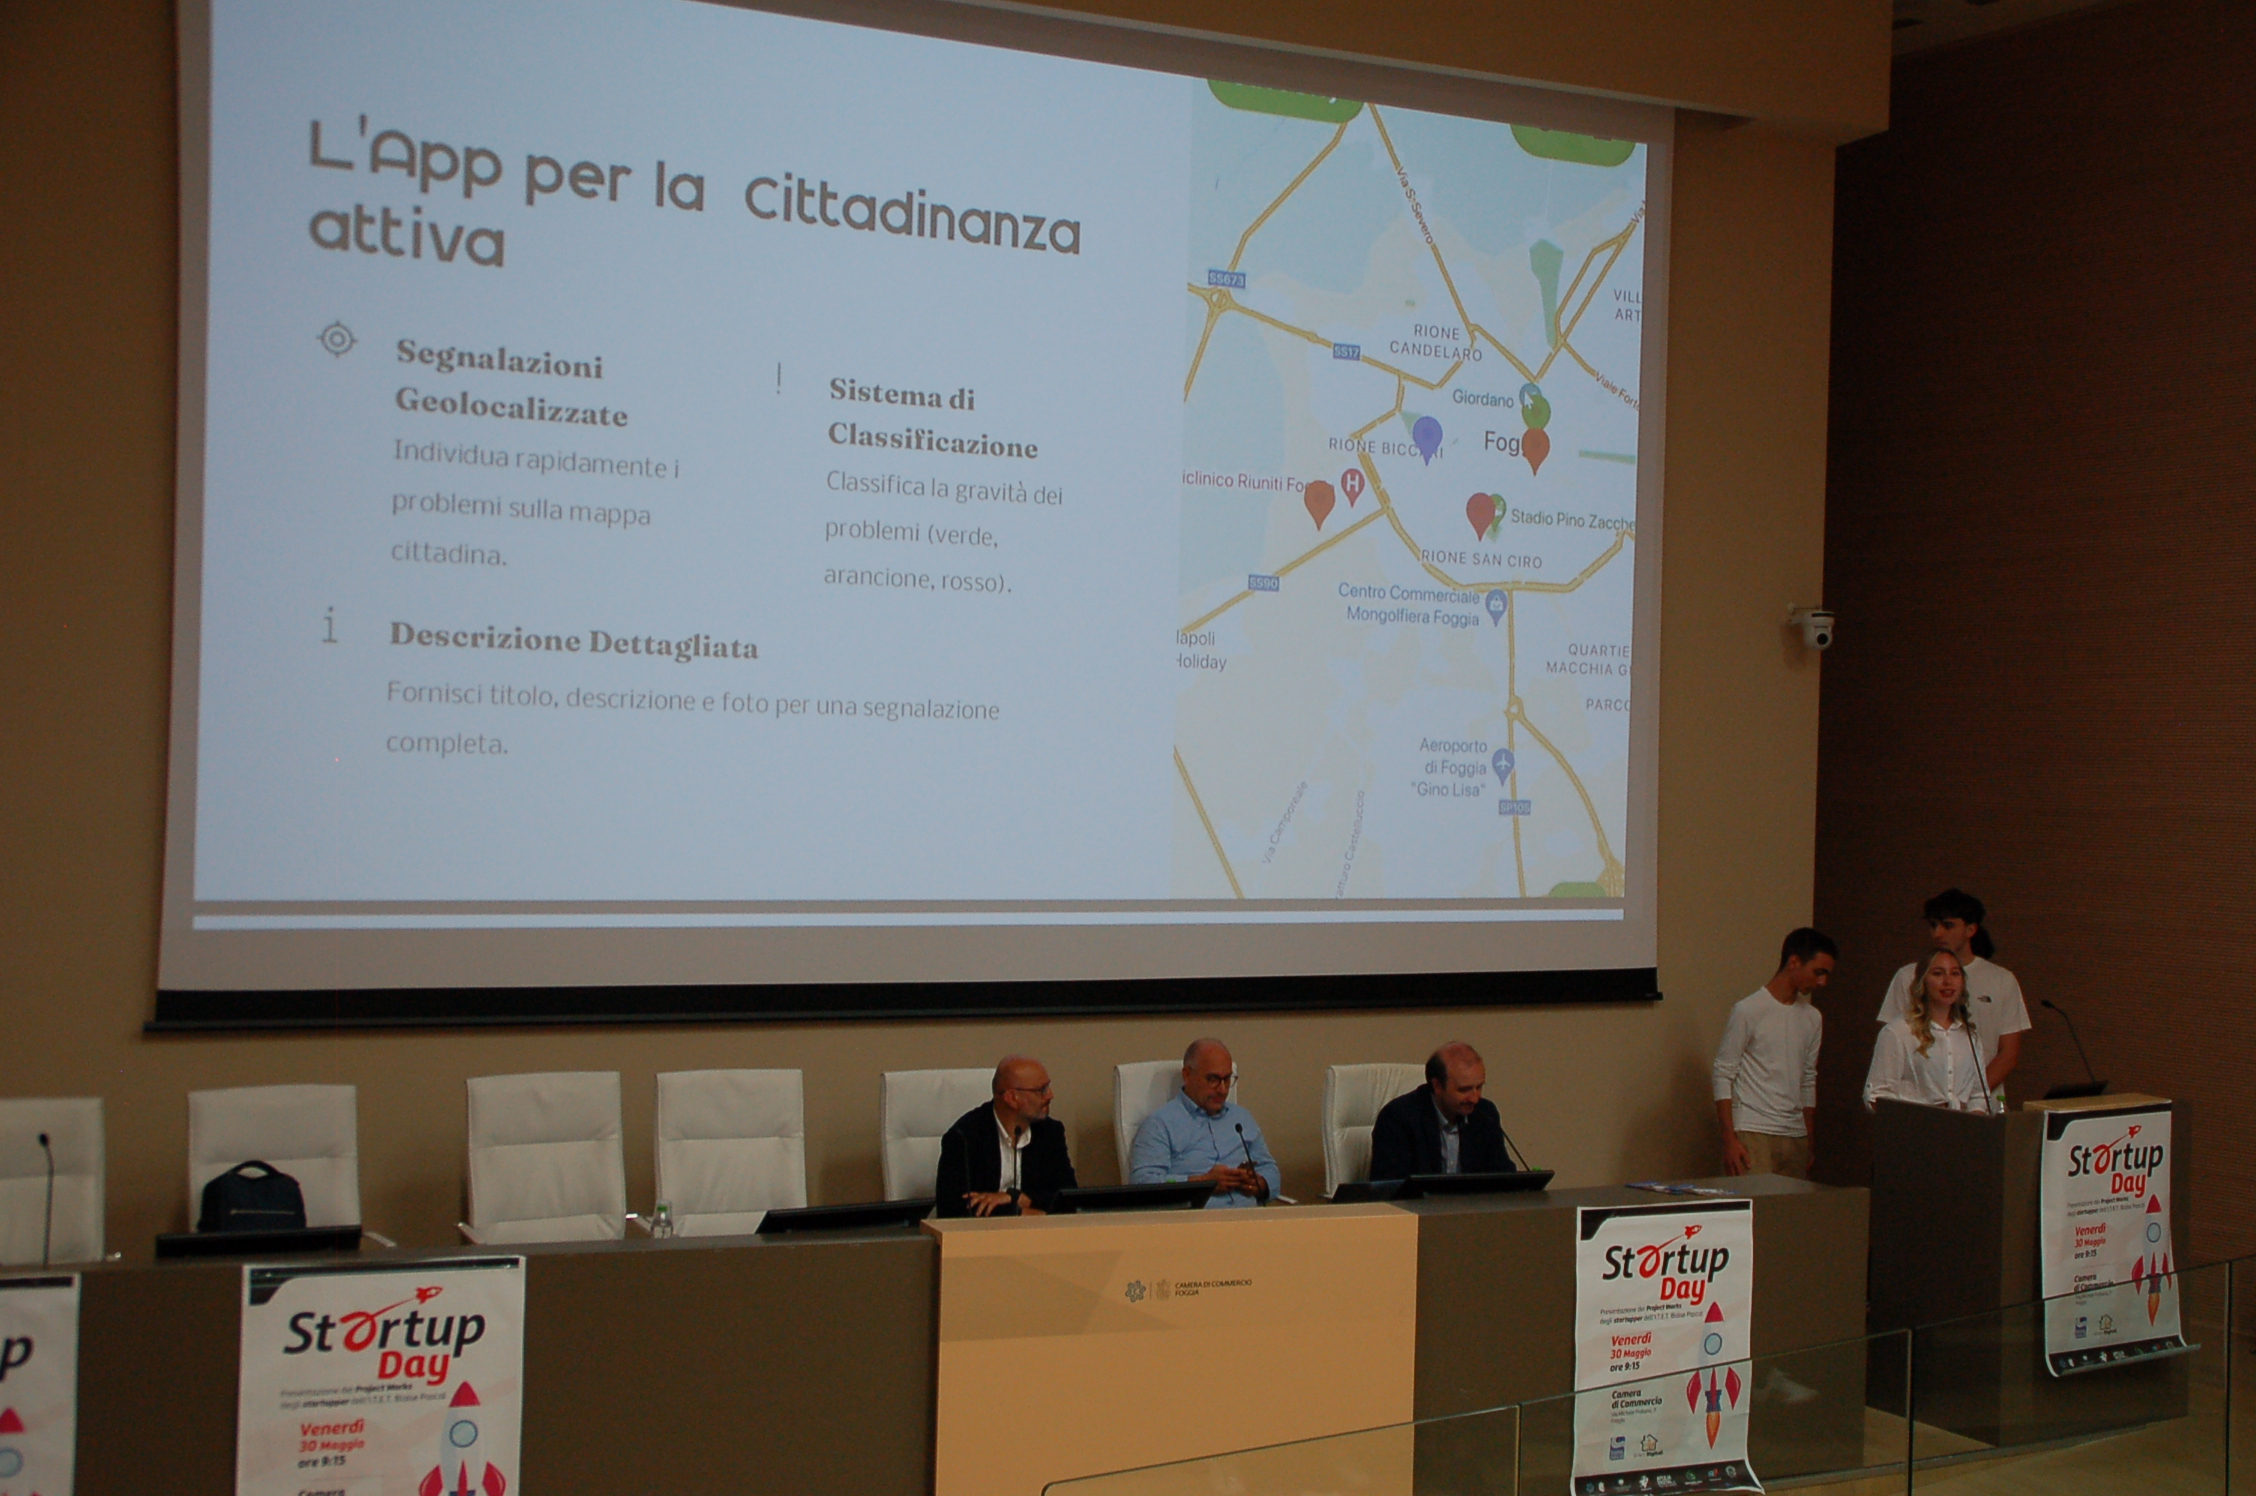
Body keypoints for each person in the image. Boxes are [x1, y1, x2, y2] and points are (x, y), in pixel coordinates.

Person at [1875, 889, 2028, 1095]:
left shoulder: (2001, 979)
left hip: (1982, 1102)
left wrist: (1970, 1097)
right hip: (1924, 1102)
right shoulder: (1908, 976)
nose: (1937, 933)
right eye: (1933, 925)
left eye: (1947, 926)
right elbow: (1891, 1047)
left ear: (1971, 929)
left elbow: (2008, 1053)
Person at [1711, 927, 1835, 1178]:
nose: (1822, 982)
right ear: (1794, 962)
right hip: (1753, 1131)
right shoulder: (1748, 1010)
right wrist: (1730, 1140)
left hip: (1794, 1134)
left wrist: (1809, 1137)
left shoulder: (1812, 1018)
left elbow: (1808, 1078)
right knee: (1756, 1201)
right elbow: (1723, 1073)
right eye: (1818, 972)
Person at [1128, 1038, 1282, 1207]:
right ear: (1187, 1075)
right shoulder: (1160, 1125)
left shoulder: (1241, 1118)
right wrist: (1203, 1183)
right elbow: (1143, 1183)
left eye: (1227, 1079)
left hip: (1250, 1218)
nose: (1222, 1089)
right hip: (1195, 1220)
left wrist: (1259, 1183)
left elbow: (1270, 1170)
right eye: (1213, 1079)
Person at [932, 1055, 1079, 1217]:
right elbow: (953, 1209)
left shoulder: (1050, 1132)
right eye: (1041, 1090)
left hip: (1042, 1230)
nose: (1050, 1095)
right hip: (985, 1232)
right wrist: (1021, 1213)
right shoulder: (964, 1137)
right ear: (1011, 1098)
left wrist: (1014, 1197)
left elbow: (1069, 1196)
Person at [1865, 949, 1994, 1112]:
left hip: (1959, 1125)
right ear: (1923, 981)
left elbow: (1979, 1095)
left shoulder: (1969, 1035)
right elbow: (1875, 1096)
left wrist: (1975, 1115)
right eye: (1938, 973)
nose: (1948, 981)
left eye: (1955, 973)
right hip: (1914, 1124)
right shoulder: (1898, 1032)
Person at [1367, 1042, 1514, 1180]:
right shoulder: (1397, 1118)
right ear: (1437, 1086)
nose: (1475, 1099)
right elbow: (1389, 1185)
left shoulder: (1485, 1113)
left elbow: (1502, 1176)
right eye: (1464, 1090)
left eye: (1479, 1087)